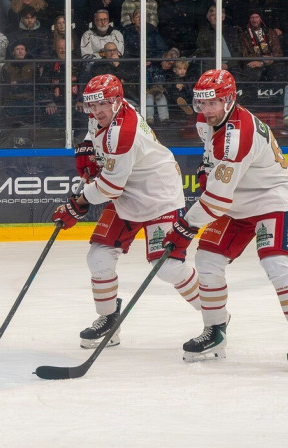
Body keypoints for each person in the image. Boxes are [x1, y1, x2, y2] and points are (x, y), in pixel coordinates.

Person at [163, 69, 288, 371]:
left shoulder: (238, 134)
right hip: (236, 202)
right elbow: (212, 160)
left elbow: (217, 200)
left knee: (277, 264)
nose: (205, 111)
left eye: (213, 103)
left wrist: (184, 227)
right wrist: (207, 170)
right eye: (201, 103)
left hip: (271, 198)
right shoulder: (207, 121)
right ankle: (215, 330)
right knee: (207, 258)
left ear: (229, 100)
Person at [51, 74, 200, 350]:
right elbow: (94, 129)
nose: (96, 112)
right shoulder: (105, 113)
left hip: (159, 198)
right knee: (98, 256)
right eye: (91, 106)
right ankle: (109, 320)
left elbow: (108, 188)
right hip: (128, 195)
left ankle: (214, 315)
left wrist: (78, 204)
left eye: (101, 105)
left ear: (118, 101)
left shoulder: (124, 131)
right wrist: (86, 144)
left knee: (166, 267)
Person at [238, 10, 284, 85]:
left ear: (261, 19)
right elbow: (244, 55)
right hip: (253, 63)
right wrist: (261, 58)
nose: (254, 20)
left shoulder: (271, 32)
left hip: (271, 62)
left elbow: (278, 52)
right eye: (252, 17)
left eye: (257, 17)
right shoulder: (244, 35)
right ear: (249, 19)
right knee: (252, 72)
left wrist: (264, 61)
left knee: (277, 70)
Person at [195, 5, 242, 75]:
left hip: (232, 67)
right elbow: (201, 52)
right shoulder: (204, 32)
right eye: (212, 15)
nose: (214, 17)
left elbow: (238, 52)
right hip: (211, 67)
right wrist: (216, 64)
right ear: (208, 17)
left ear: (223, 17)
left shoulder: (231, 31)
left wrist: (228, 65)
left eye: (216, 15)